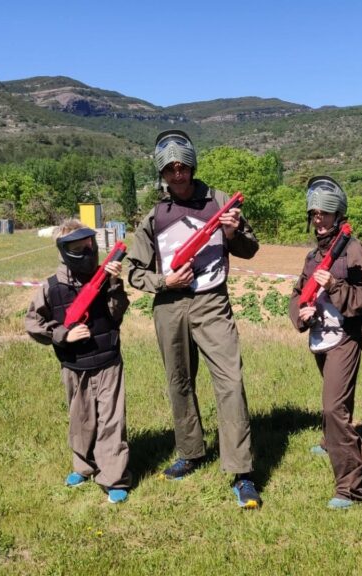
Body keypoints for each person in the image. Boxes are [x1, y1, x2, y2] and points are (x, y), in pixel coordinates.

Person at [127, 129, 262, 509]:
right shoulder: (155, 215)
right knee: (179, 383)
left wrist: (233, 233)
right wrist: (163, 281)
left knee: (230, 383)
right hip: (170, 306)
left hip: (212, 303)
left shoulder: (220, 201)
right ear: (162, 174)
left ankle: (242, 471)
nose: (178, 174)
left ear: (192, 164)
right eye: (169, 169)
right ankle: (191, 451)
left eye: (182, 166)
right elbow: (133, 271)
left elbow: (251, 249)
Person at [288, 176, 362, 510]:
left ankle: (351, 485)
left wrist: (336, 287)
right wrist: (302, 313)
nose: (318, 219)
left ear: (338, 214)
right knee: (337, 399)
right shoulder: (313, 254)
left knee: (332, 406)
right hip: (320, 335)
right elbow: (298, 293)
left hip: (346, 336)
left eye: (325, 213)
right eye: (314, 213)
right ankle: (331, 442)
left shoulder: (353, 249)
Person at [25, 220, 131, 504]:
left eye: (90, 245)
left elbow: (117, 313)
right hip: (74, 364)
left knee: (112, 420)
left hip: (108, 359)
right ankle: (83, 466)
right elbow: (33, 323)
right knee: (81, 418)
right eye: (78, 247)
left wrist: (114, 283)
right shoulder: (50, 287)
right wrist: (63, 334)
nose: (87, 251)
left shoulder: (104, 277)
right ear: (64, 250)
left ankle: (114, 477)